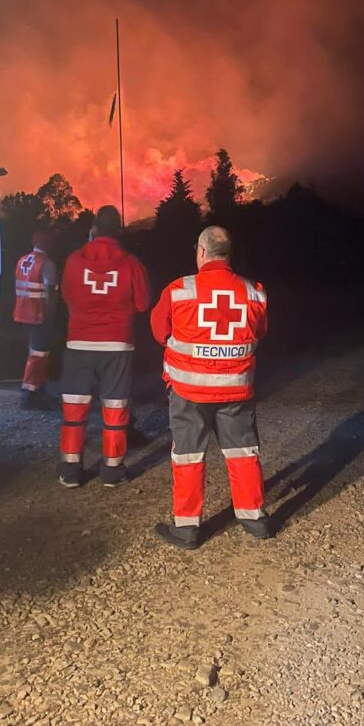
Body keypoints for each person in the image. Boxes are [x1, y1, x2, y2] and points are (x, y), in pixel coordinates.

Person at [150, 226, 272, 549]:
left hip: (189, 393)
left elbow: (158, 331)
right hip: (236, 391)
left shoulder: (179, 291)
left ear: (201, 252)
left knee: (188, 456)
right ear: (228, 254)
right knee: (243, 452)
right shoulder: (255, 292)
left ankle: (187, 529)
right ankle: (254, 518)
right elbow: (259, 332)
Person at [58, 205, 150, 488]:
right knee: (115, 407)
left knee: (75, 407)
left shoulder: (74, 260)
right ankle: (112, 469)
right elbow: (144, 303)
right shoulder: (131, 262)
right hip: (117, 344)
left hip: (79, 343)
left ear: (94, 229)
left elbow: (67, 295)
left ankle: (71, 469)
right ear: (119, 231)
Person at [13, 229, 58, 410]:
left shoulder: (22, 260)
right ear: (47, 244)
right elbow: (49, 295)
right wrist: (52, 315)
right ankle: (30, 394)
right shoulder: (47, 264)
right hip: (38, 314)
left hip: (22, 312)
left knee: (34, 353)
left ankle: (38, 390)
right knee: (39, 355)